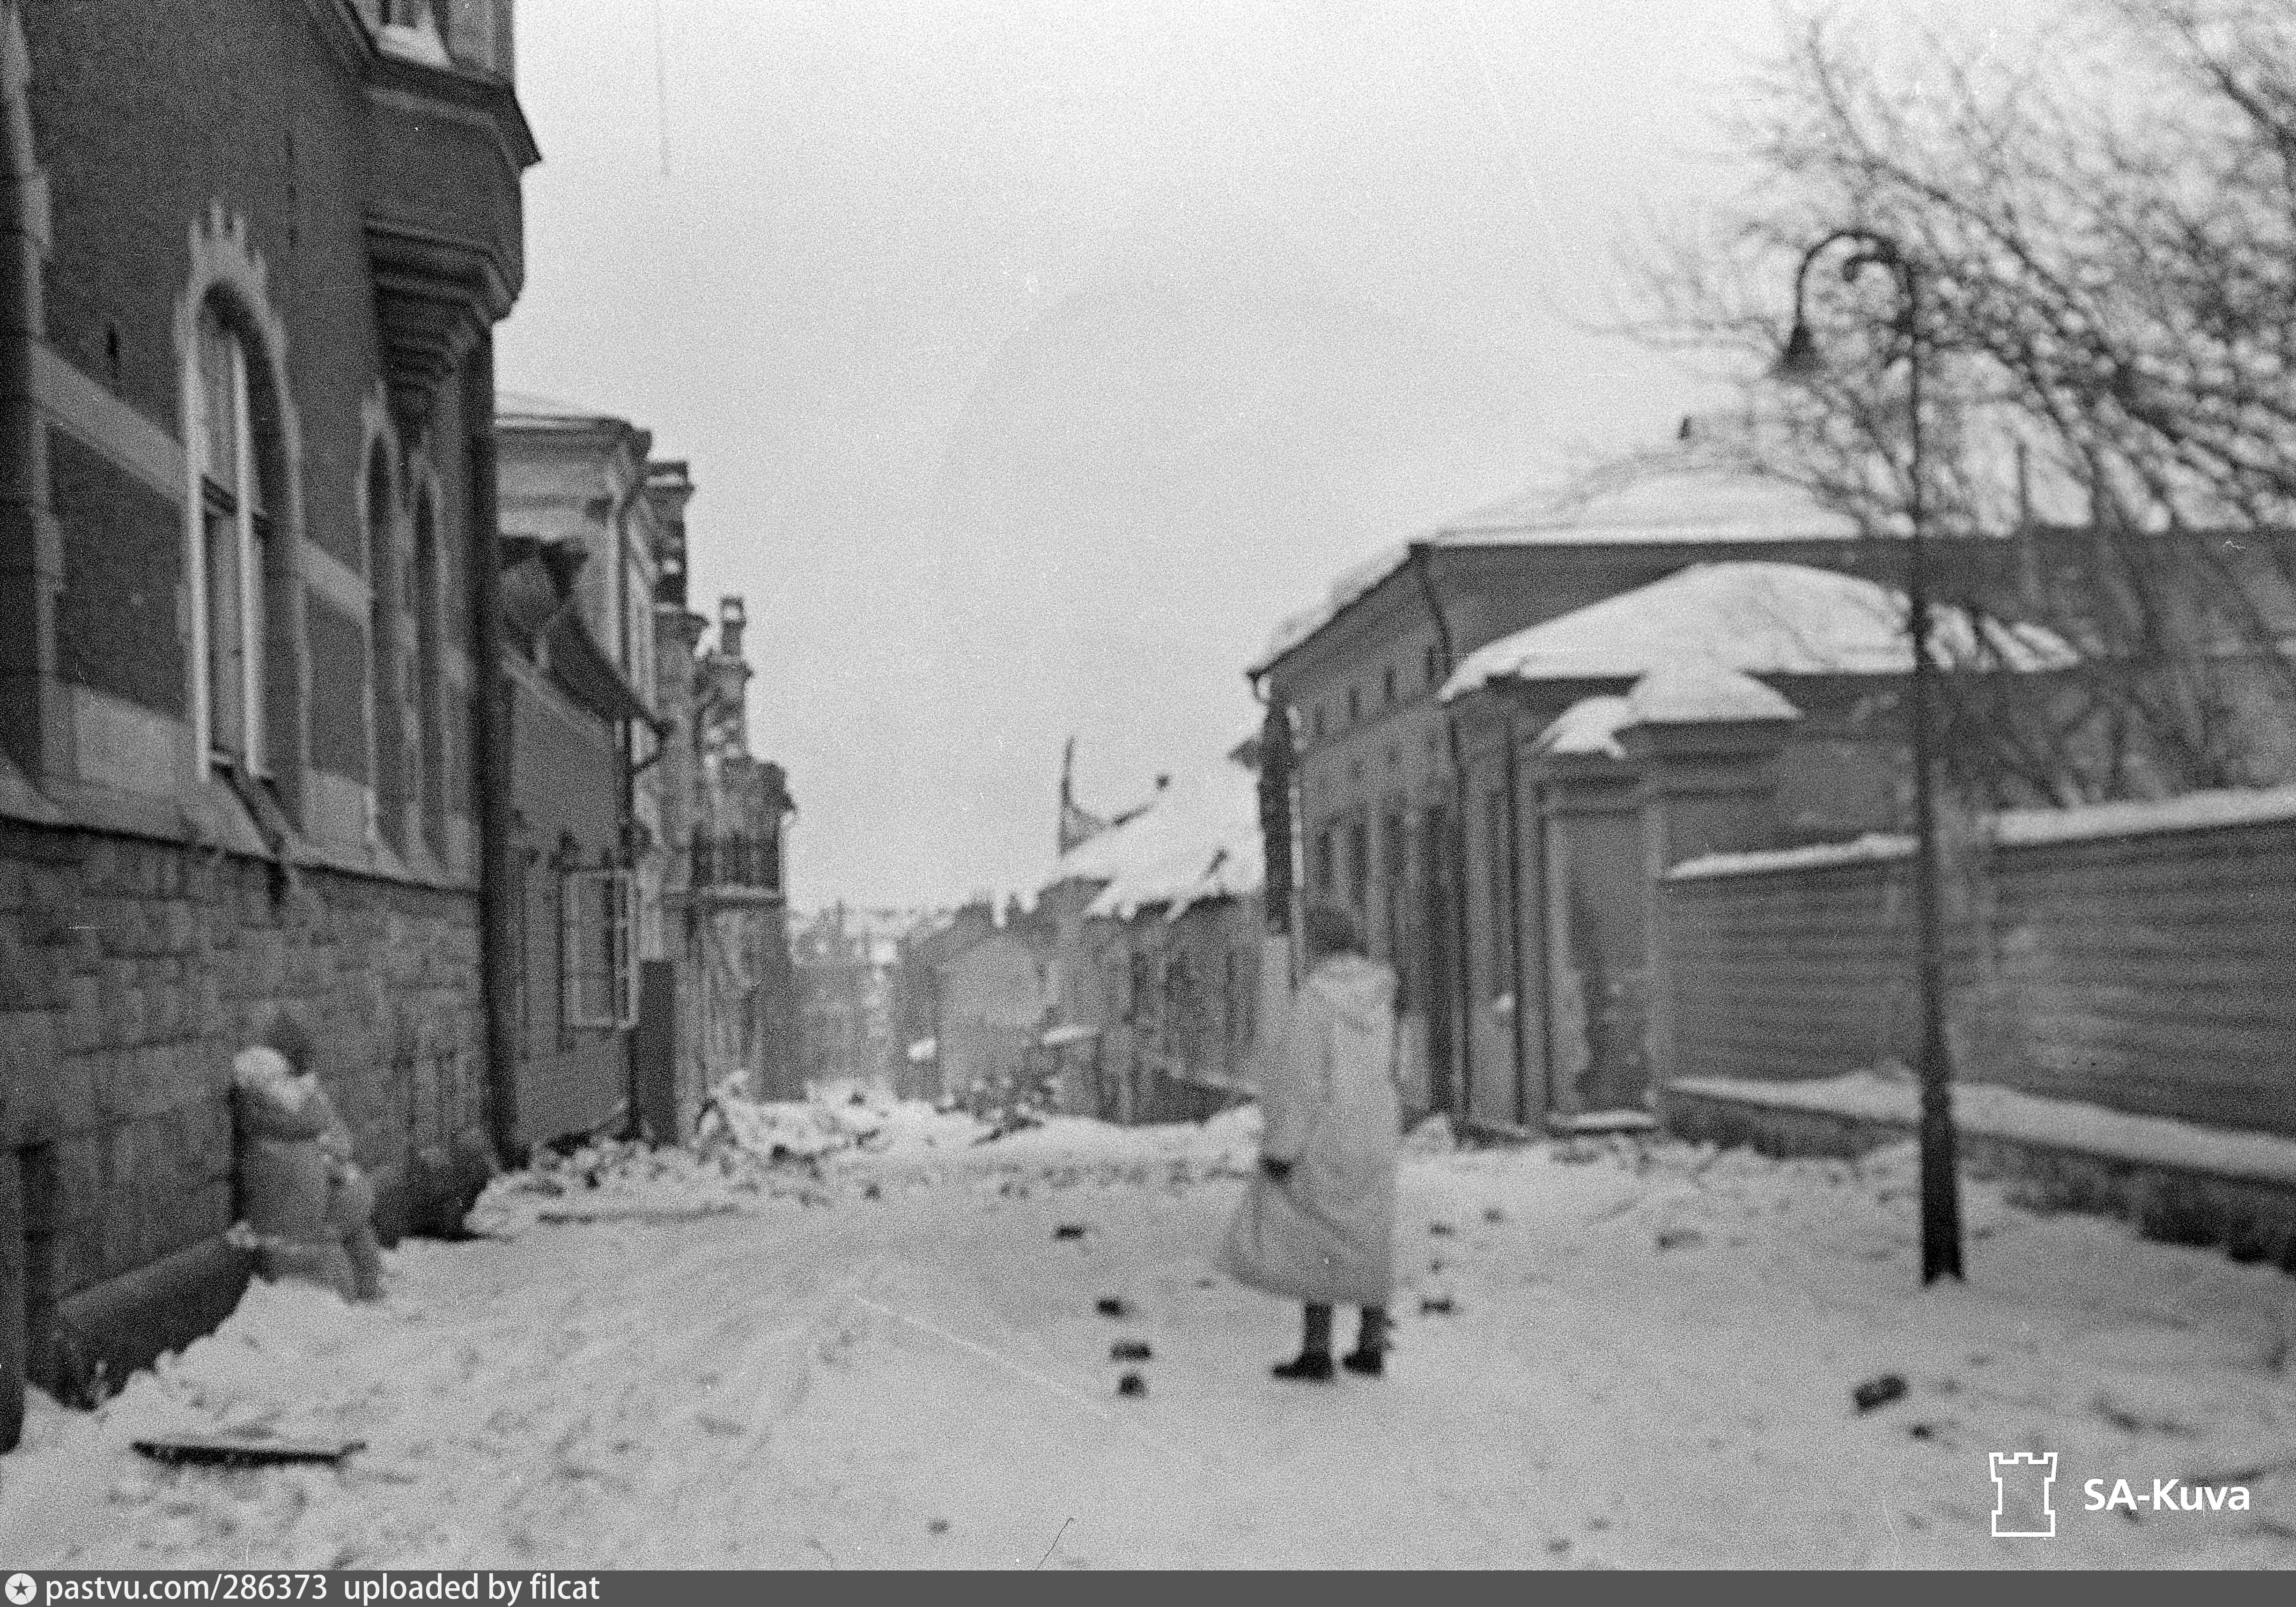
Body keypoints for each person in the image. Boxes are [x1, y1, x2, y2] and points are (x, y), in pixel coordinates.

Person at [1218, 904, 1401, 1381]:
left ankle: (1317, 1350)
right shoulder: (1382, 994)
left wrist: (1281, 1148)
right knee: (1368, 1234)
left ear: (1315, 943)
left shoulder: (1315, 999)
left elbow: (1303, 1082)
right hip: (1376, 1129)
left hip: (1327, 1135)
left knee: (1317, 1237)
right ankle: (1370, 1343)